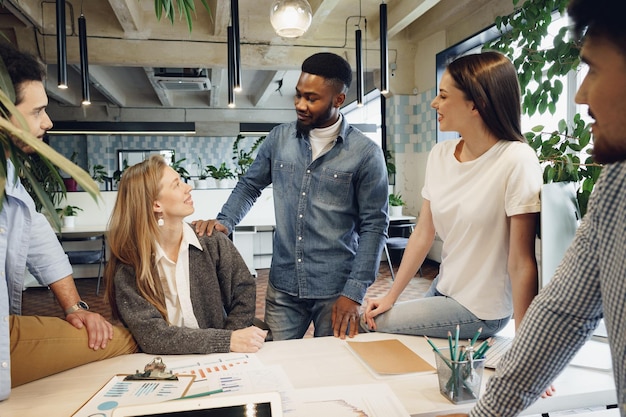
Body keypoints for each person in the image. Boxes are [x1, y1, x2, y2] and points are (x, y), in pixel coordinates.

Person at [441, 0, 626, 415]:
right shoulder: (616, 185)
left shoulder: (516, 157)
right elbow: (564, 311)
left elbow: (523, 264)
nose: (580, 95)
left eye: (592, 69)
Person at [195, 52, 389, 340]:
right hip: (284, 285)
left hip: (335, 290)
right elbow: (250, 185)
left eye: (312, 98)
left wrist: (354, 292)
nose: (300, 105)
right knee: (275, 363)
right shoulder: (279, 139)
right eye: (298, 95)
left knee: (334, 369)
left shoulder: (366, 154)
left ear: (338, 100)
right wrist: (226, 221)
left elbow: (374, 226)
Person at [361, 51, 542, 341]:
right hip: (444, 289)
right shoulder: (440, 154)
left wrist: (527, 350)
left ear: (476, 104)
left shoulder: (517, 160)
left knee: (366, 324)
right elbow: (423, 234)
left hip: (482, 309)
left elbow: (522, 262)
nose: (434, 103)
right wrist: (392, 296)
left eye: (443, 96)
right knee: (376, 314)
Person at [0, 42, 137, 400]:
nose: (47, 122)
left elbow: (35, 233)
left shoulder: (8, 171)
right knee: (122, 340)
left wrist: (75, 308)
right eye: (37, 111)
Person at [105, 155, 267, 354]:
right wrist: (226, 341)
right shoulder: (130, 264)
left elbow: (243, 290)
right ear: (156, 205)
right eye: (176, 184)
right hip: (165, 363)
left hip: (220, 360)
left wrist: (231, 340)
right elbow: (153, 336)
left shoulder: (211, 241)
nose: (188, 187)